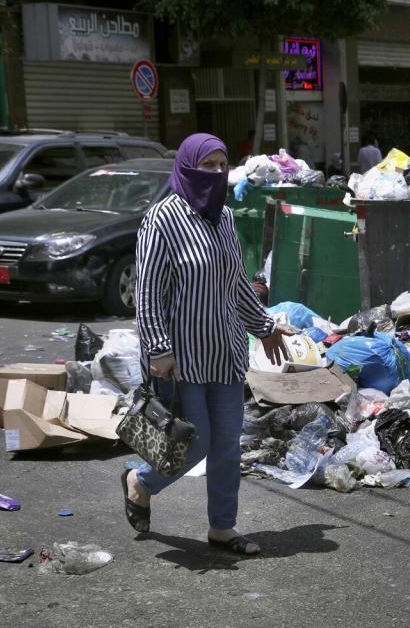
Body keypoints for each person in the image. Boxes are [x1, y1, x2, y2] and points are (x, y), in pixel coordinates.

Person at [122, 133, 293, 556]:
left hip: (224, 352)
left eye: (222, 165)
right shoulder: (163, 219)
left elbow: (236, 284)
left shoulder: (226, 218)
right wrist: (158, 349)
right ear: (187, 167)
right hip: (179, 359)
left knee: (226, 446)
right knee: (192, 444)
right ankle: (139, 482)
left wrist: (265, 326)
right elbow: (146, 293)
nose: (215, 173)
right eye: (207, 165)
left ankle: (222, 528)